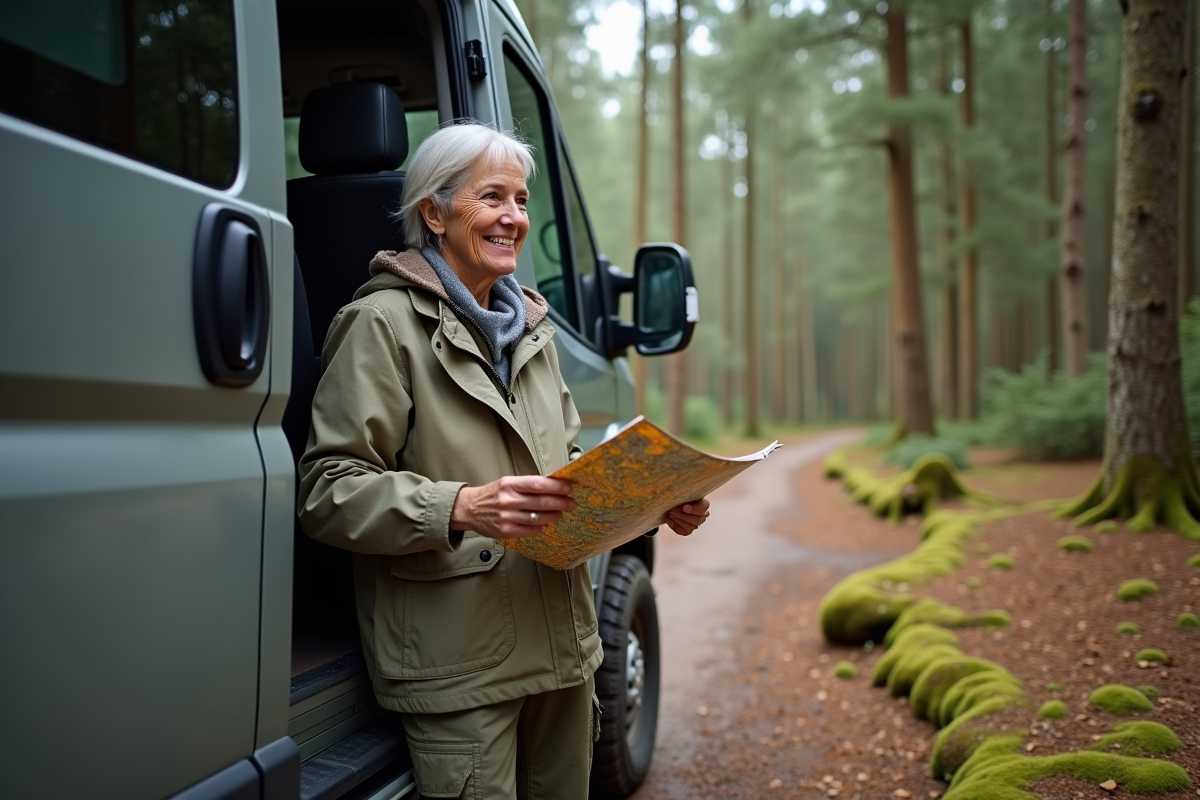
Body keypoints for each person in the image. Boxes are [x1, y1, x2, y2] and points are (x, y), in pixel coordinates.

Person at [298, 122, 710, 799]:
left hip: (564, 653)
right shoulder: (381, 324)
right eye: (492, 198)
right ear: (433, 213)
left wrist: (656, 503)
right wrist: (460, 506)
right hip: (461, 664)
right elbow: (326, 489)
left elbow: (569, 469)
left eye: (520, 201)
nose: (513, 218)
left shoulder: (533, 329)